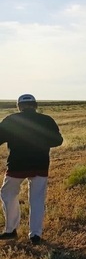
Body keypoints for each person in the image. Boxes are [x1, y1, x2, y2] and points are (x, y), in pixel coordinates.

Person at [0, 94, 63, 244]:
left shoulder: (12, 119)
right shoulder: (47, 120)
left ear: (19, 106)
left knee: (8, 194)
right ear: (35, 105)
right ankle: (35, 235)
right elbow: (58, 141)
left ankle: (10, 230)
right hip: (40, 164)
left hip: (17, 165)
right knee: (37, 199)